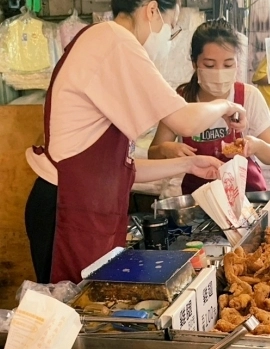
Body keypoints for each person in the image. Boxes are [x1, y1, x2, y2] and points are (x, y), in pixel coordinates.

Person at [23, 0, 246, 284]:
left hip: (76, 203)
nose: (168, 37)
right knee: (70, 309)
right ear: (151, 10)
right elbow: (185, 120)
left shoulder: (102, 40)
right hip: (65, 209)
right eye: (172, 26)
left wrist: (189, 163)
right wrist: (226, 105)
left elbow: (120, 168)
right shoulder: (115, 40)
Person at [149, 19, 270, 194]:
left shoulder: (249, 96)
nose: (219, 72)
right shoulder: (180, 99)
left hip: (247, 197)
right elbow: (153, 154)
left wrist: (256, 146)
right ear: (195, 64)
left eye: (228, 65)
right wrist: (166, 149)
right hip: (199, 198)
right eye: (210, 65)